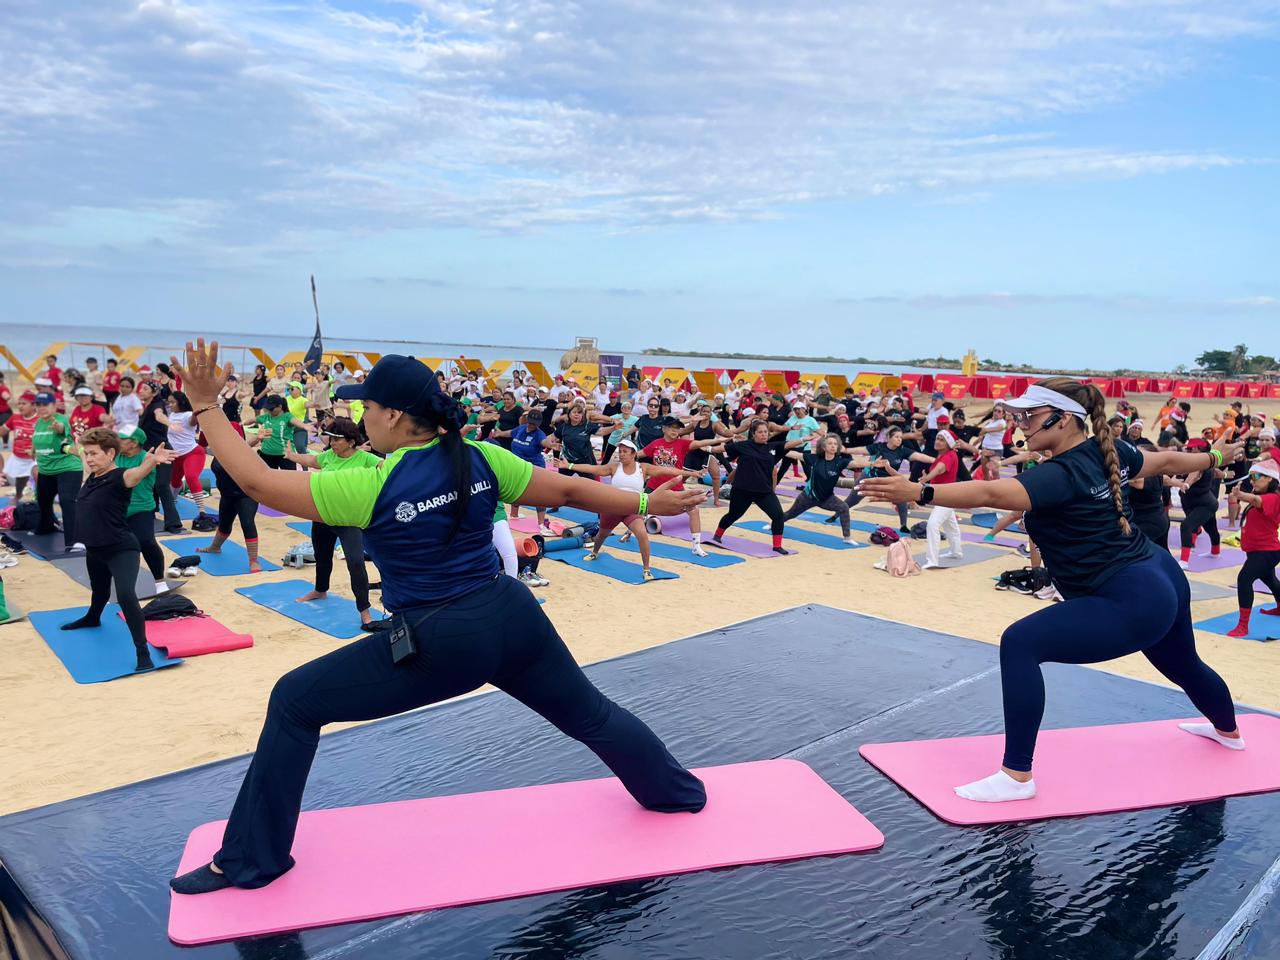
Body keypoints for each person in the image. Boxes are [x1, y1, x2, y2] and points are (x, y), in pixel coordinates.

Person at [165, 342, 707, 895]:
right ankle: (679, 794)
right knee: (591, 715)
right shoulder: (479, 456)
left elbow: (256, 482)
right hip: (511, 615)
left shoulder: (369, 485)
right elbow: (567, 490)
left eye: (366, 409)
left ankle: (251, 861)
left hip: (443, 640)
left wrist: (207, 407)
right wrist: (643, 505)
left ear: (394, 416)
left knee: (293, 702)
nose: (361, 417)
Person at [860, 378, 1242, 804]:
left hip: (1131, 595)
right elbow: (1163, 459)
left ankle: (1016, 777)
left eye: (1030, 416)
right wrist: (1211, 456)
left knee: (1020, 644)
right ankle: (1228, 732)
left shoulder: (1061, 473)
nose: (1020, 424)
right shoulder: (1107, 450)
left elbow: (990, 491)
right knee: (1185, 663)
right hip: (1158, 573)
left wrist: (920, 491)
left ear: (1064, 420)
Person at [58, 428, 176, 672]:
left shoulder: (119, 477)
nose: (88, 459)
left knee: (125, 595)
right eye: (86, 454)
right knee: (99, 591)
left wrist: (151, 462)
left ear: (110, 454)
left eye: (94, 454)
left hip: (121, 548)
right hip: (95, 549)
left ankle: (142, 651)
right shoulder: (93, 476)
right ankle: (92, 617)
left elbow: (135, 475)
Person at [283, 418, 379, 628]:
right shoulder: (328, 456)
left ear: (351, 442)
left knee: (356, 563)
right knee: (322, 556)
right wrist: (292, 456)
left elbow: (387, 469)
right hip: (322, 516)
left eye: (337, 439)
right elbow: (311, 461)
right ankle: (320, 590)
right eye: (331, 438)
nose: (332, 443)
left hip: (348, 520)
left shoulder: (365, 459)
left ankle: (364, 610)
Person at [562, 439, 690, 581]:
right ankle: (595, 552)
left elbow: (668, 470)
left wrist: (692, 474)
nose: (621, 454)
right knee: (602, 534)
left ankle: (646, 569)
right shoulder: (614, 467)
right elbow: (593, 468)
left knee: (642, 535)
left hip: (633, 509)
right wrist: (570, 465)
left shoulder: (643, 468)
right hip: (612, 508)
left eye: (625, 452)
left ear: (633, 454)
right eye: (620, 451)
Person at [640, 417, 721, 557]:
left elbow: (700, 443)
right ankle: (628, 534)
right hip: (654, 486)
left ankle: (696, 546)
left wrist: (719, 440)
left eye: (677, 428)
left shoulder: (682, 443)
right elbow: (638, 454)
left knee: (694, 511)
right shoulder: (656, 443)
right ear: (664, 429)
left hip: (675, 486)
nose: (675, 430)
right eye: (671, 427)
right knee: (638, 511)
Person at [708, 419, 791, 554]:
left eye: (766, 432)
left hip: (763, 492)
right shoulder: (744, 446)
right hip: (742, 490)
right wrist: (707, 448)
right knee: (733, 515)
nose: (764, 434)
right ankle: (717, 535)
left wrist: (805, 438)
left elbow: (789, 446)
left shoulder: (772, 447)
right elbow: (722, 449)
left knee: (778, 516)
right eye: (760, 432)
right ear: (753, 434)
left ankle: (777, 546)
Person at [1223, 459, 1280, 637]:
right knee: (1269, 580)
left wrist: (1241, 495)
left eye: (1256, 476)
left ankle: (1243, 626)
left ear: (1270, 479)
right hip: (1257, 551)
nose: (1252, 481)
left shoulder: (1274, 498)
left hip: (1267, 551)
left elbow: (1255, 499)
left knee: (1244, 579)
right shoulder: (1263, 497)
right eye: (1251, 477)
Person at [116, 428, 172, 592]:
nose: (117, 442)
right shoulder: (115, 456)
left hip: (140, 509)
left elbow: (135, 477)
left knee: (146, 542)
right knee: (115, 547)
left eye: (121, 439)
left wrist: (154, 459)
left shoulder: (146, 458)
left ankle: (160, 582)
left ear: (134, 443)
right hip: (117, 510)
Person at [32, 392, 85, 553]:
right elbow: (38, 440)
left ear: (54, 406)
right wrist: (33, 449)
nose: (41, 408)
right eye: (38, 405)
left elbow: (62, 430)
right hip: (46, 470)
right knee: (43, 500)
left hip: (67, 467)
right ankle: (47, 526)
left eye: (45, 405)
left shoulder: (60, 419)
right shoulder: (38, 423)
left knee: (67, 501)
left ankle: (75, 540)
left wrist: (58, 428)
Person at [137, 380, 183, 534]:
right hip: (149, 453)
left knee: (162, 486)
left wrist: (170, 424)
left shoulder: (157, 405)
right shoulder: (145, 407)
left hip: (163, 451)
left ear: (154, 392)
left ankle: (174, 523)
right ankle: (151, 511)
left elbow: (159, 416)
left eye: (145, 388)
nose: (141, 391)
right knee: (149, 484)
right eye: (141, 388)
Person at [1176, 437, 1222, 569]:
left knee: (1186, 526)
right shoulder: (1206, 462)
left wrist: (1187, 484)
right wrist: (1225, 475)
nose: (1188, 451)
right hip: (1196, 502)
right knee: (1210, 527)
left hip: (1205, 503)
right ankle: (1215, 551)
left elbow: (1194, 475)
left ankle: (1184, 561)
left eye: (1190, 449)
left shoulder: (1200, 464)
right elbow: (1216, 472)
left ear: (1198, 449)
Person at [165, 391, 210, 519]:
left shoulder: (188, 415)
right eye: (169, 402)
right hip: (176, 455)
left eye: (173, 402)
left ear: (181, 402)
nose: (170, 405)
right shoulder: (171, 415)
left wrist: (196, 413)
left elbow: (192, 421)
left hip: (193, 453)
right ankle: (172, 502)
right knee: (174, 482)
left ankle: (202, 510)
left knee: (191, 477)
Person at [253, 395, 309, 470]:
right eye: (268, 408)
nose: (269, 411)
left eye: (271, 409)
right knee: (268, 479)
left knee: (289, 479)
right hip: (266, 454)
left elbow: (294, 421)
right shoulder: (267, 416)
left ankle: (305, 470)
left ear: (280, 406)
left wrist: (304, 426)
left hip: (285, 455)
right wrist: (241, 423)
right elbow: (253, 420)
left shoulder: (287, 416)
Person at [0, 392, 37, 500]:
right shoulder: (15, 418)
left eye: (24, 403)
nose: (20, 406)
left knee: (38, 476)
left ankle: (40, 499)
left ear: (34, 405)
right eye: (19, 403)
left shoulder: (40, 420)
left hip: (35, 458)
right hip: (18, 458)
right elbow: (2, 431)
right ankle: (18, 495)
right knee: (20, 481)